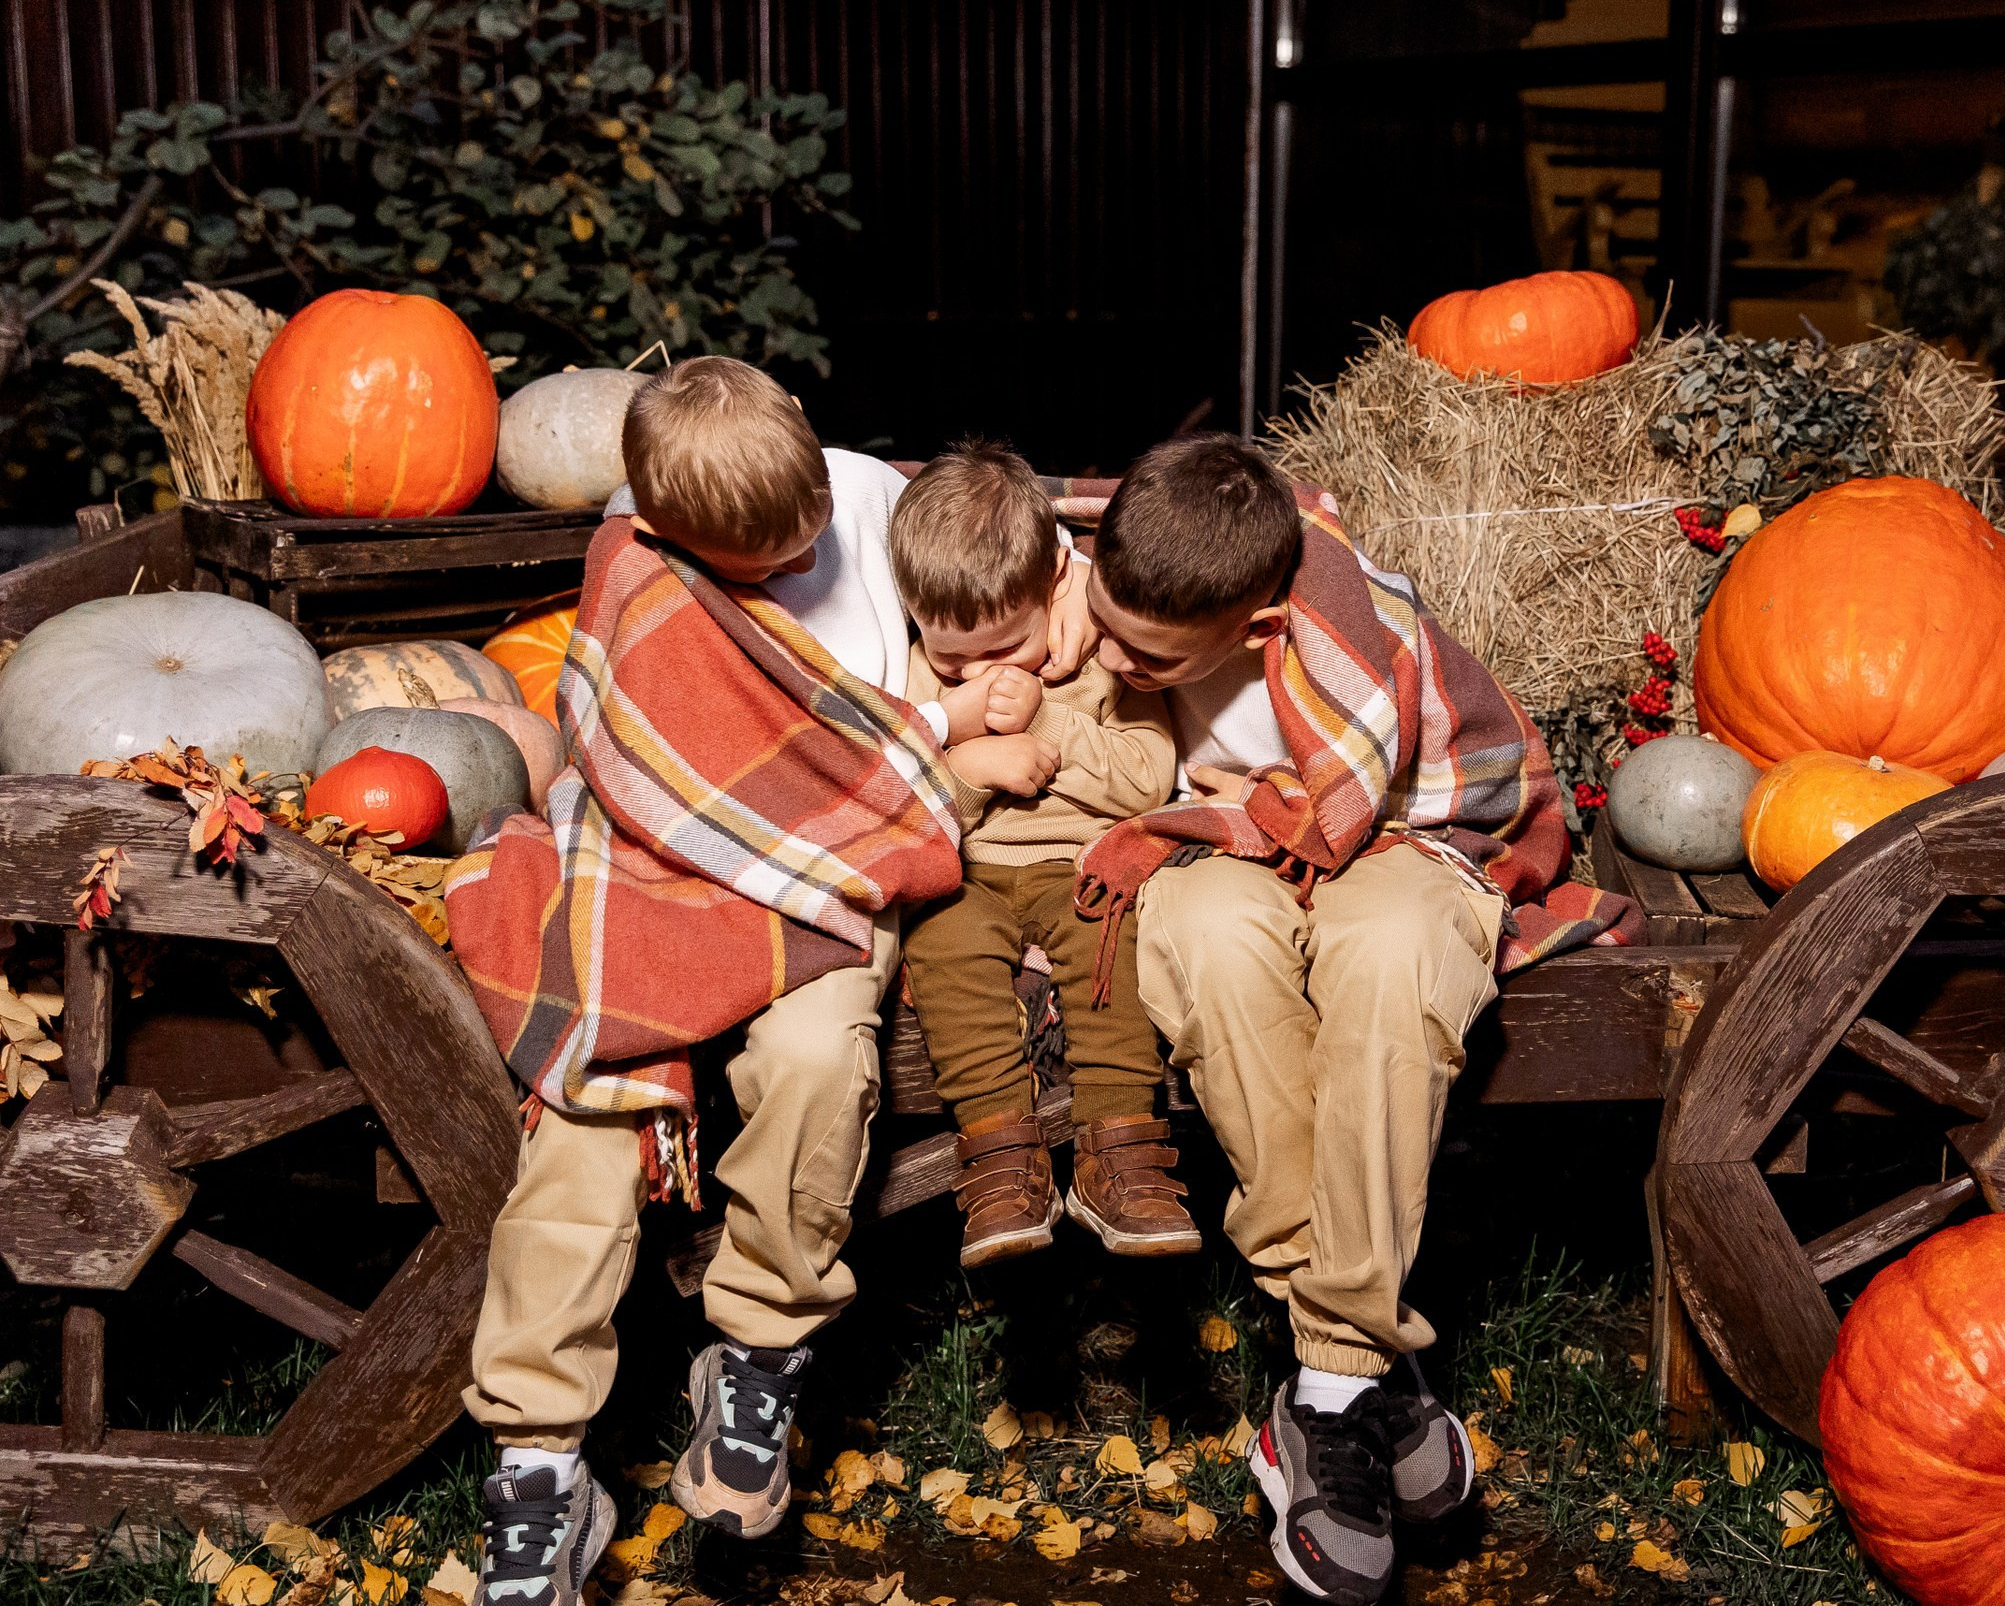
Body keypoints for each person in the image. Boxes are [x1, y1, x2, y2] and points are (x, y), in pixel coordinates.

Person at [448, 360, 1093, 1606]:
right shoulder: (637, 568)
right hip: (655, 861)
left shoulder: (860, 497)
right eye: (752, 555)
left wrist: (1067, 601)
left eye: (799, 530)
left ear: (809, 440)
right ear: (661, 520)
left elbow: (988, 557)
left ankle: (756, 1351)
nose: (795, 554)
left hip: (831, 870)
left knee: (817, 1060)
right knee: (590, 1116)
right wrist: (954, 741)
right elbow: (656, 739)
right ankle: (539, 1464)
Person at [1077, 435, 1638, 1606]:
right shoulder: (1136, 555)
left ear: (1255, 632)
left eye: (1146, 654)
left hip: (1397, 833)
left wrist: (1238, 810)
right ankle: (1363, 1375)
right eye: (1104, 618)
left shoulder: (1345, 624)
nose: (1109, 655)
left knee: (1392, 955)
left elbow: (1351, 803)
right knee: (1217, 949)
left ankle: (1320, 1388)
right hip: (1221, 853)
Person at [888, 444, 1197, 1269]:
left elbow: (1147, 779)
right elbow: (895, 805)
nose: (976, 675)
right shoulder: (919, 677)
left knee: (1111, 937)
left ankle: (1120, 1149)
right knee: (941, 941)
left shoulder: (1100, 658)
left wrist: (1050, 725)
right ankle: (998, 1156)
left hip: (1076, 864)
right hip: (970, 872)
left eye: (1003, 649)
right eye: (951, 656)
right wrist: (967, 766)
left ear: (1052, 585)